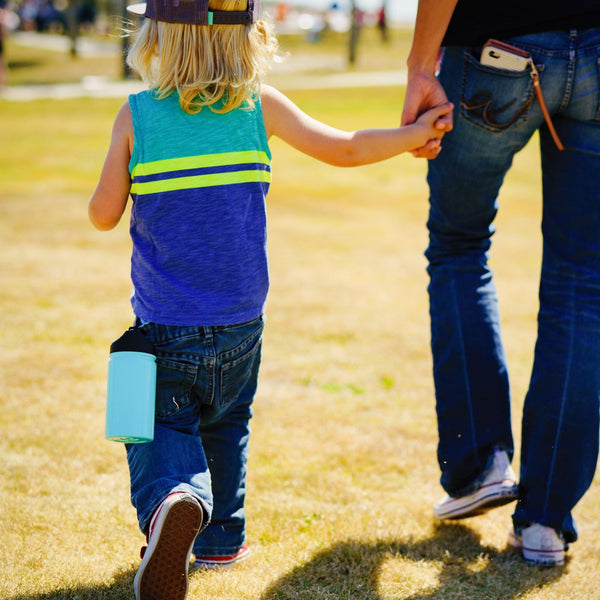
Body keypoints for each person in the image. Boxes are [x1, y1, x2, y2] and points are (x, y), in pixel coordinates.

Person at [88, 0, 452, 598]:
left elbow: (104, 215)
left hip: (163, 329)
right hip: (241, 326)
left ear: (154, 35)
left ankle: (172, 504)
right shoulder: (261, 107)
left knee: (157, 425)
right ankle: (223, 539)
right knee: (228, 422)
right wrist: (416, 133)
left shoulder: (136, 118)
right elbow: (348, 148)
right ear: (249, 36)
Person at [402, 0, 600, 568]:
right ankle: (545, 522)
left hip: (499, 48)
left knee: (458, 246)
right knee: (582, 282)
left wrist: (421, 64)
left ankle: (481, 463)